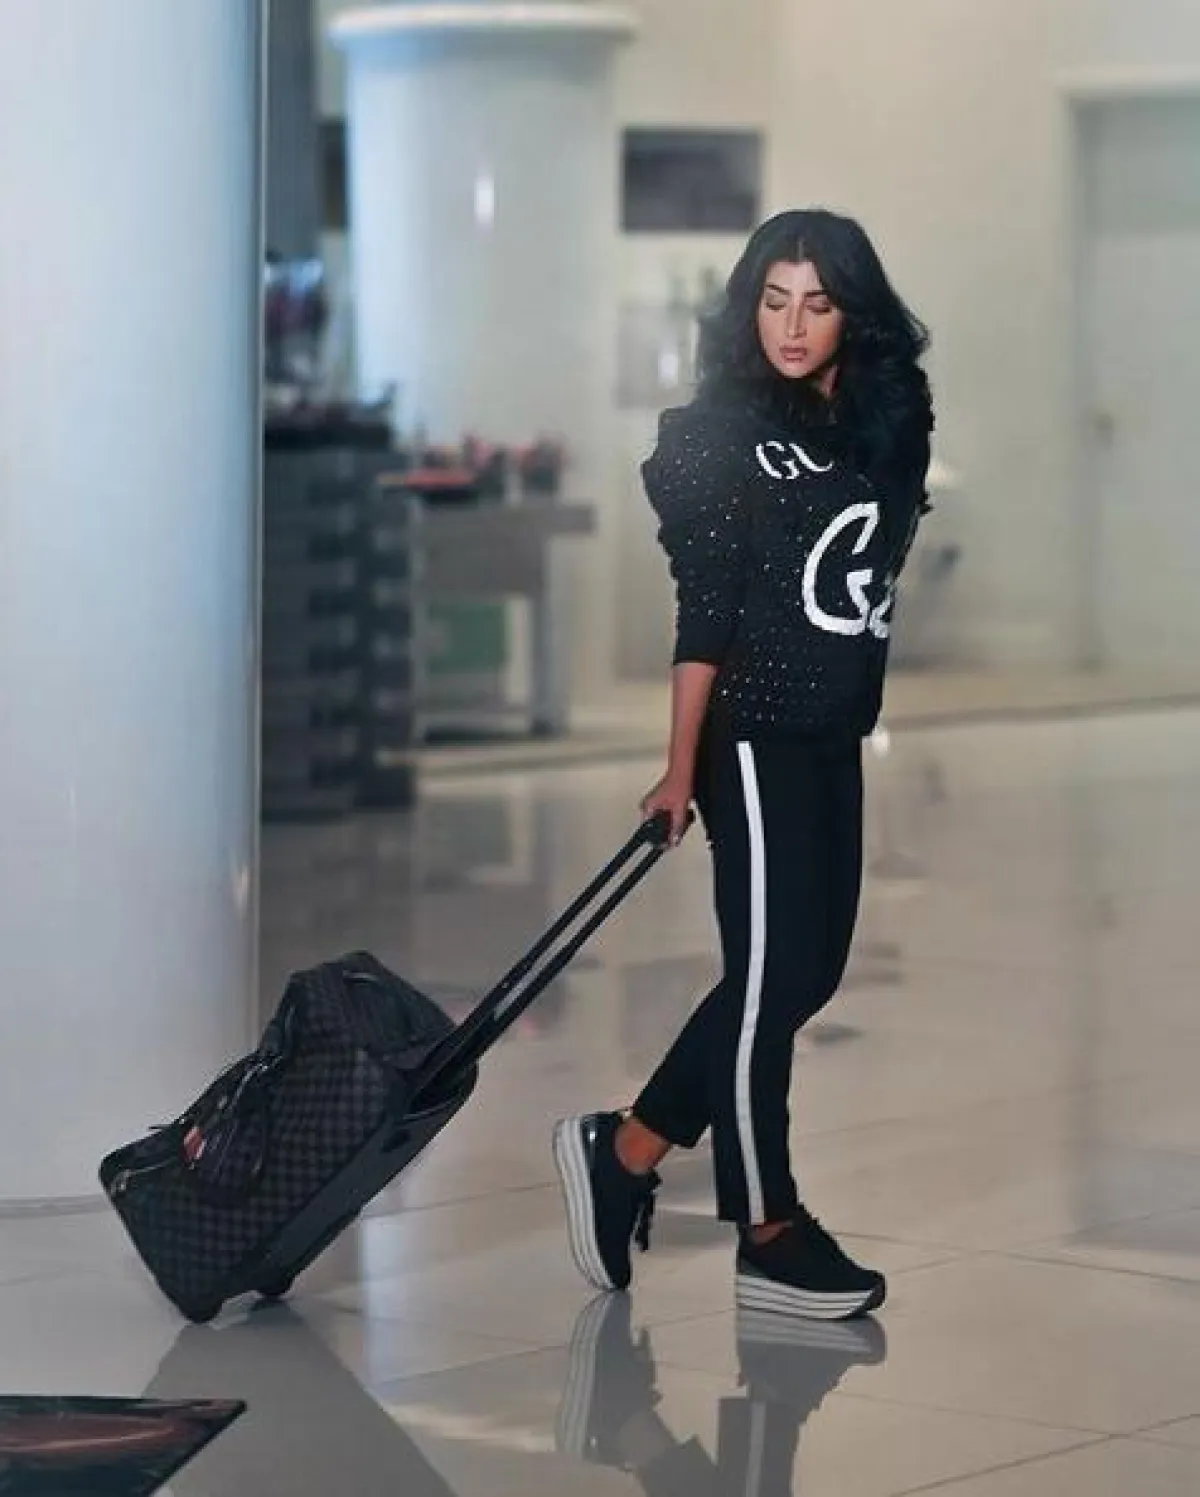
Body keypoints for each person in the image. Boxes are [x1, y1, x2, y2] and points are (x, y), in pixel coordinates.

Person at [553, 208, 934, 1322]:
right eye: (773, 301)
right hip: (749, 734)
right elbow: (707, 609)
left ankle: (626, 1150)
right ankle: (768, 1227)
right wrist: (680, 766)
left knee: (807, 972)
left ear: (853, 314)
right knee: (768, 980)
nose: (792, 325)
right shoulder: (716, 434)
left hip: (833, 727)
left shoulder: (890, 422)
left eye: (817, 303)